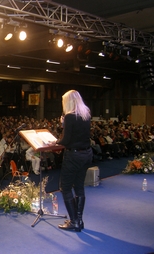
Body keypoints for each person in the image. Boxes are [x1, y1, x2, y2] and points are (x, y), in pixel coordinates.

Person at [56, 90, 93, 232]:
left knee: (65, 187)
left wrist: (62, 126)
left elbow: (66, 140)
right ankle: (79, 220)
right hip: (86, 154)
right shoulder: (86, 114)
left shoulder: (70, 116)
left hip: (74, 156)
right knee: (79, 186)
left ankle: (73, 222)